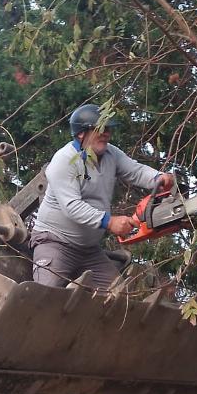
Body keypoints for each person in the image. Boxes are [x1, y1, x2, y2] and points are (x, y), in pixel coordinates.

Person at [31, 103, 174, 290]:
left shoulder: (111, 154)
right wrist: (109, 222)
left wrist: (158, 178)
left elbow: (135, 171)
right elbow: (72, 206)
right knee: (44, 295)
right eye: (100, 129)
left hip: (89, 250)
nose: (106, 133)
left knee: (117, 297)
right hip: (55, 242)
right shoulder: (64, 160)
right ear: (81, 133)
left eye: (108, 129)